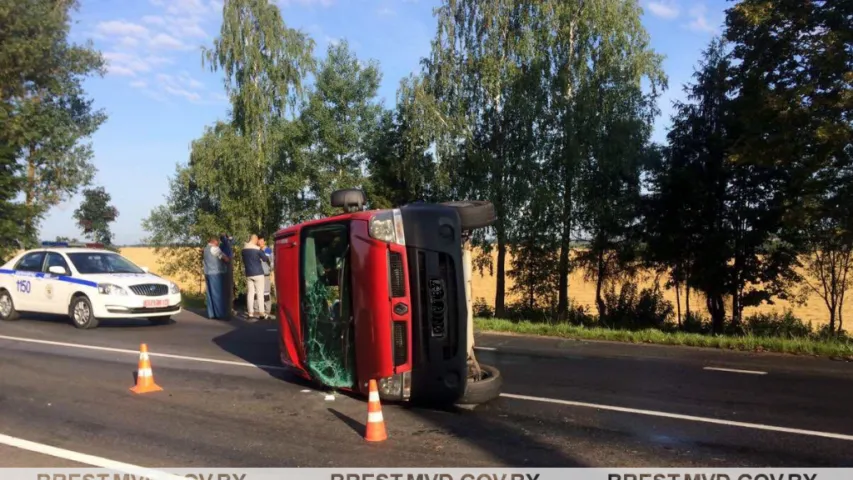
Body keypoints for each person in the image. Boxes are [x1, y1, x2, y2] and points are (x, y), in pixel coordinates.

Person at [241, 234, 269, 321]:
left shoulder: (244, 249)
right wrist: (262, 251)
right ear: (255, 239)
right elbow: (265, 259)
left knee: (250, 293)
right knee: (260, 294)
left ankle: (250, 313)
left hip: (249, 274)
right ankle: (261, 313)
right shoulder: (257, 249)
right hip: (258, 273)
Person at [203, 236, 229, 319]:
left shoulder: (206, 249)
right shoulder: (214, 248)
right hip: (215, 273)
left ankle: (211, 314)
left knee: (210, 294)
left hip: (207, 273)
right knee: (217, 294)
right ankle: (220, 314)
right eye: (218, 243)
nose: (218, 244)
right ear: (215, 242)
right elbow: (226, 259)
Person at [255, 236, 273, 316]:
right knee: (256, 292)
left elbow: (272, 262)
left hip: (265, 274)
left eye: (262, 241)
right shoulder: (256, 250)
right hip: (257, 274)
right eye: (259, 241)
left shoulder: (268, 250)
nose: (260, 242)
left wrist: (270, 270)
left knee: (266, 293)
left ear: (264, 241)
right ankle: (256, 309)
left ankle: (267, 310)